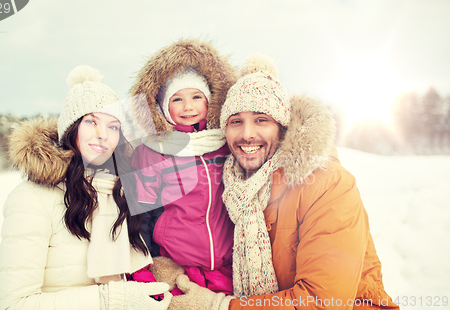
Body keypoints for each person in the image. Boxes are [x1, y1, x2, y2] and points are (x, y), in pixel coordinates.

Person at [166, 55, 400, 309]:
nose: (247, 134)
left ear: (282, 127)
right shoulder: (234, 186)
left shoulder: (327, 184)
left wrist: (222, 306)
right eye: (236, 122)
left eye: (261, 120)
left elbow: (323, 301)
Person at [0, 65, 172, 310]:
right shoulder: (32, 198)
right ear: (72, 129)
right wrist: (108, 299)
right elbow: (14, 304)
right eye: (92, 122)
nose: (103, 135)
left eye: (113, 126)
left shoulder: (118, 194)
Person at [128, 38, 237, 297]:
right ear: (163, 107)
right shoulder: (152, 151)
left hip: (229, 269)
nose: (188, 107)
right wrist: (147, 267)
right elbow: (141, 216)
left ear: (211, 100)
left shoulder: (226, 144)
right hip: (176, 269)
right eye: (177, 99)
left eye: (197, 97)